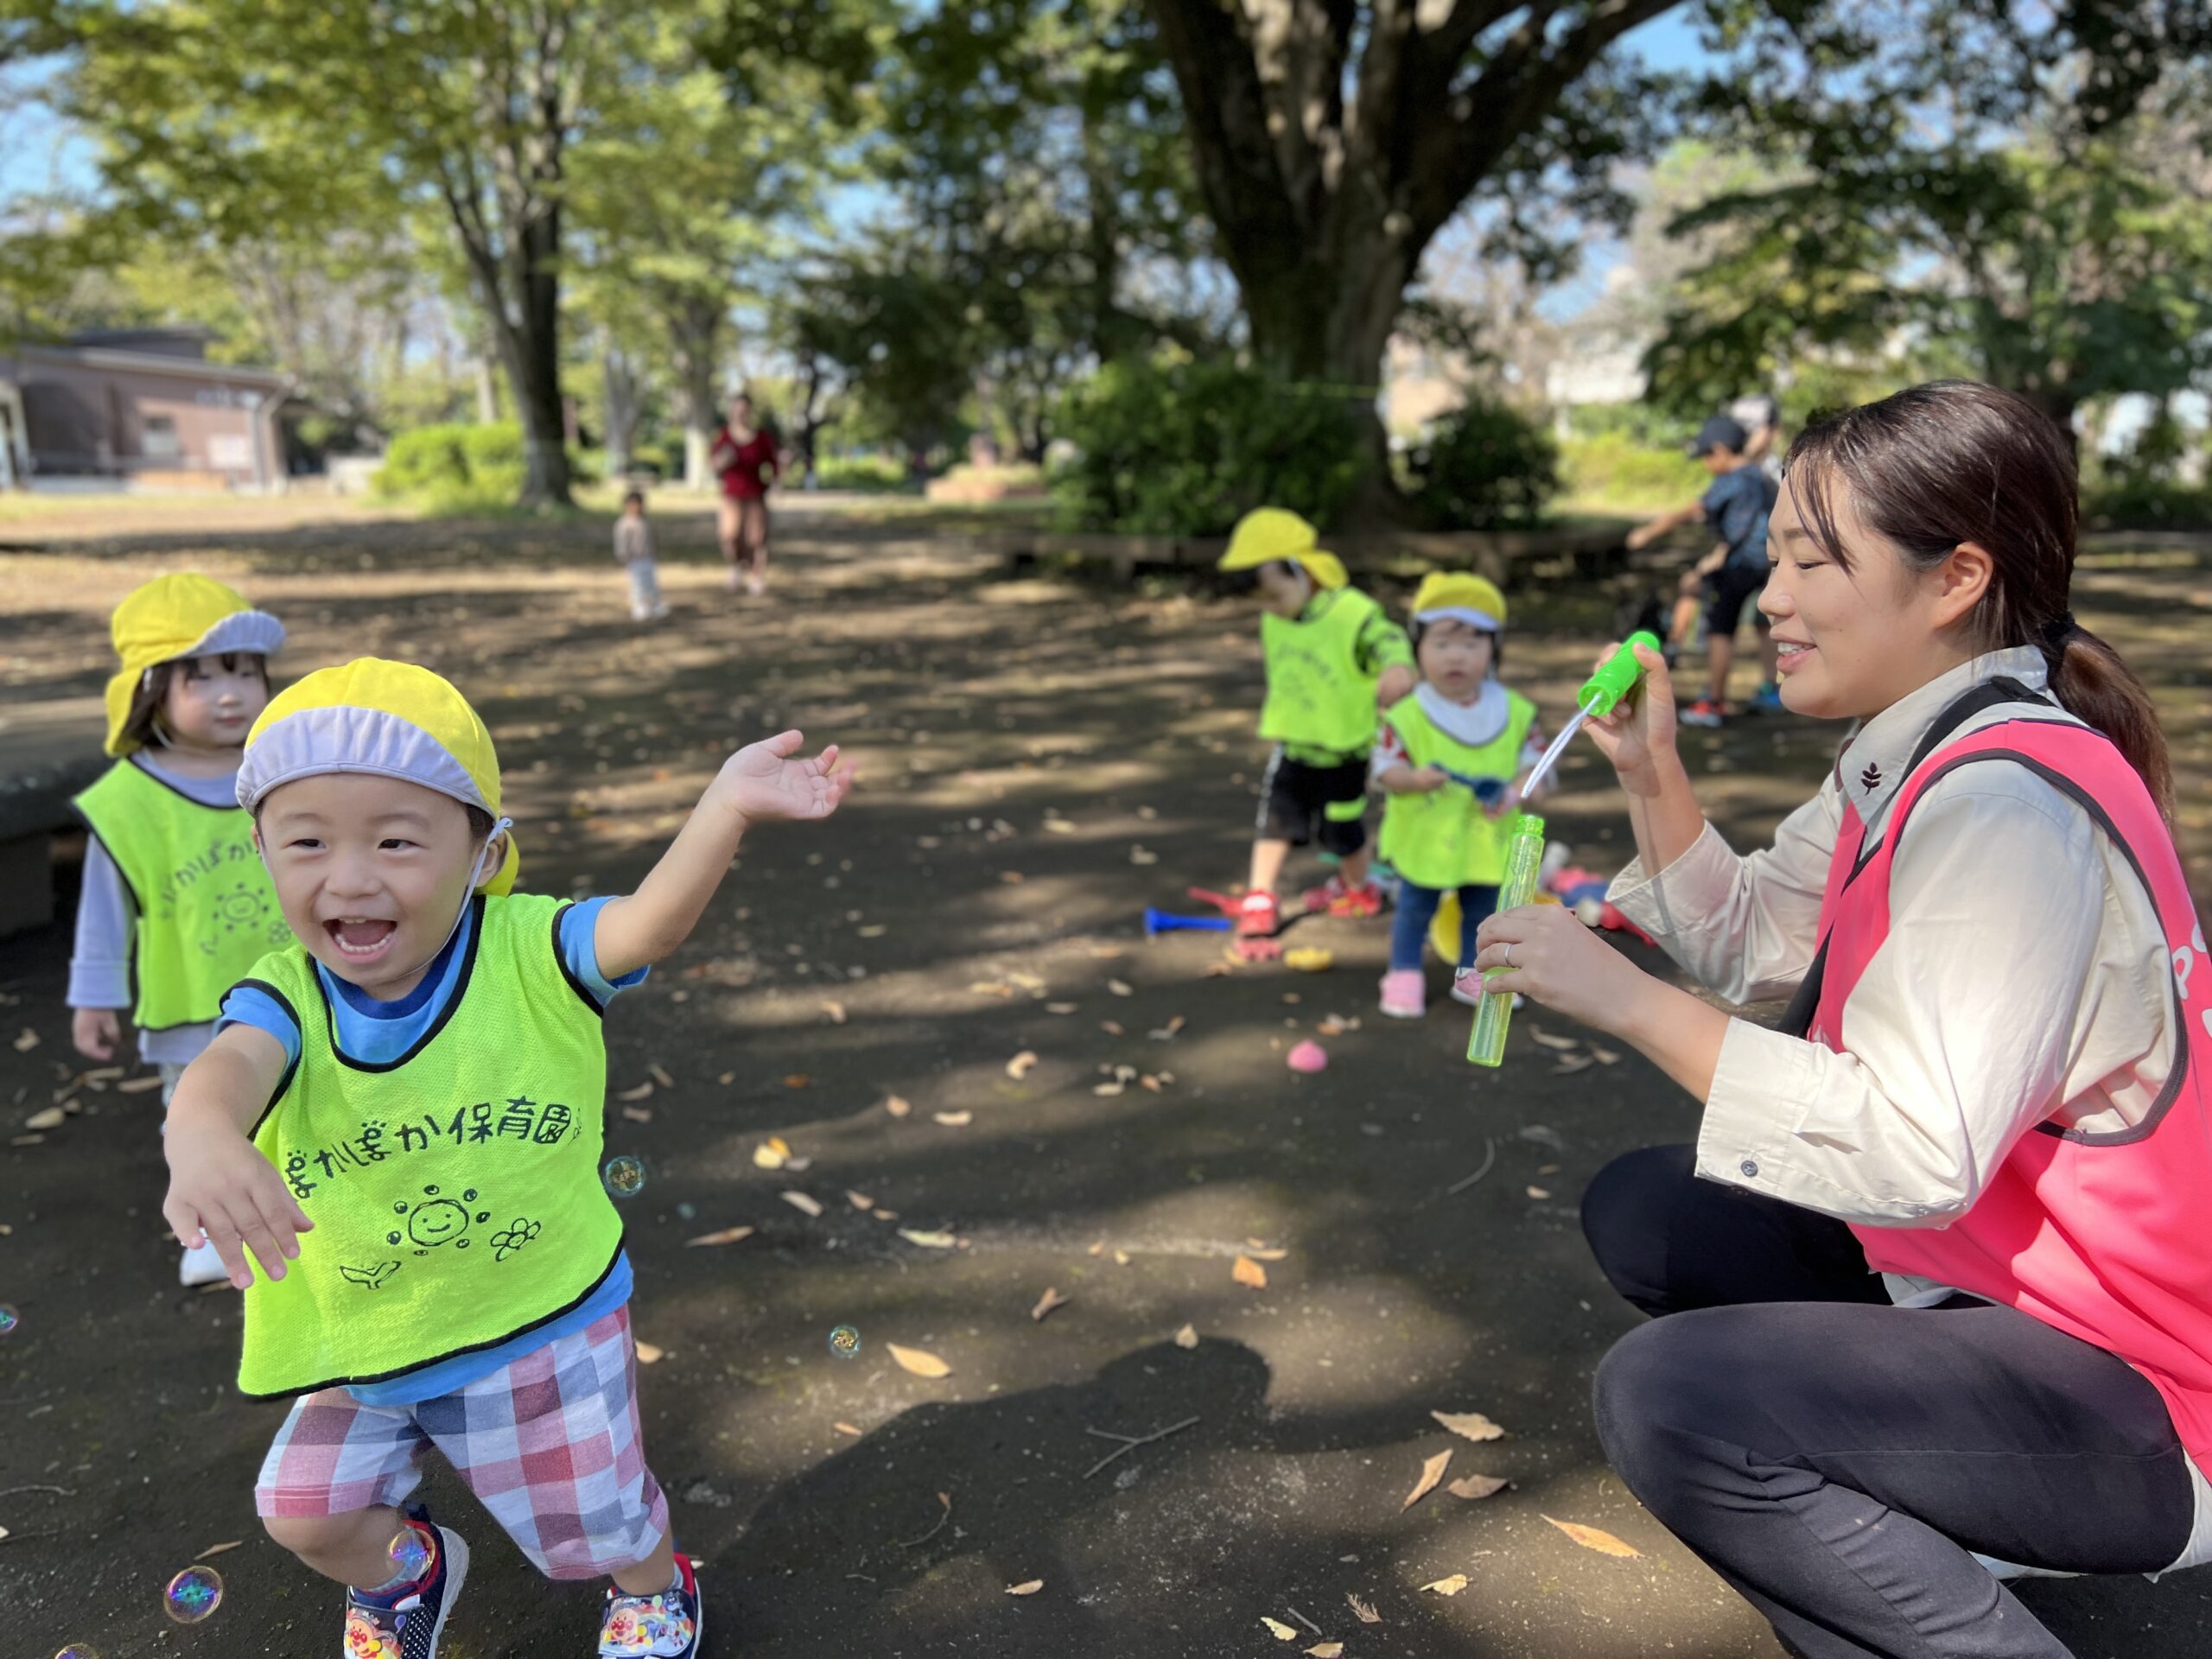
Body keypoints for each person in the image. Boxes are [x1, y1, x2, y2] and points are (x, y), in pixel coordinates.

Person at [1470, 380, 2211, 1659]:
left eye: (1817, 560)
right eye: (1777, 559)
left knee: (1682, 1404)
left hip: (2147, 1385)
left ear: (1953, 581)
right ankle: (1935, 1494)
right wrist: (1653, 773)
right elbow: (1759, 941)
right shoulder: (1919, 750)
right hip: (2002, 1292)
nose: (1773, 596)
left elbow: (1916, 1152)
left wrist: (1627, 999)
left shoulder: (2003, 808)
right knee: (1656, 1210)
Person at [161, 658, 850, 1659]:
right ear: (262, 849)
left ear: (485, 855)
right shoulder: (285, 992)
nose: (348, 877)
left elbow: (644, 924)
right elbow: (227, 1069)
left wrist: (724, 809)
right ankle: (412, 1572)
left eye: (397, 841)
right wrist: (200, 1134)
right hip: (366, 1327)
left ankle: (655, 1586)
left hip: (536, 1321)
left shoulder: (530, 949)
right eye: (304, 842)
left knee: (600, 1516)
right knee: (305, 1512)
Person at [69, 574, 288, 1287]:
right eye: (201, 677)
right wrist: (93, 998)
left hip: (297, 983)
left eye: (244, 672)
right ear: (149, 692)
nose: (231, 694)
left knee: (303, 1099)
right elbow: (103, 910)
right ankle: (214, 1232)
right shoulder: (128, 799)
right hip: (192, 998)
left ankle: (297, 1212)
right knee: (197, 1114)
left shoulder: (282, 769)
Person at [1216, 507, 1415, 950]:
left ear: (1302, 570)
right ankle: (1260, 897)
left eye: (1274, 595)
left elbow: (1389, 639)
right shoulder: (1279, 616)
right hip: (1294, 745)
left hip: (1346, 750)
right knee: (1275, 822)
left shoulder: (1352, 613)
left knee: (1343, 831)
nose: (1269, 610)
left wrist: (1398, 665)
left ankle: (1357, 888)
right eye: (1261, 602)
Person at [1370, 572, 1550, 1019]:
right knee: (1414, 908)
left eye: (1472, 644)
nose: (1457, 656)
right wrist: (1411, 780)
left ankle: (1473, 976)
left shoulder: (1513, 711)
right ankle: (1404, 973)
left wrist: (1520, 790)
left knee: (1484, 915)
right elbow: (1383, 768)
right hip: (1426, 836)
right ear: (1418, 650)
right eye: (1442, 643)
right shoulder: (1409, 714)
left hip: (1485, 837)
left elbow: (1536, 761)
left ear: (1493, 649)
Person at [1624, 415, 1783, 725]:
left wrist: (1648, 533)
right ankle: (1771, 689)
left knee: (1720, 631)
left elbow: (1695, 510)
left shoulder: (1732, 480)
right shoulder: (1761, 477)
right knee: (1765, 626)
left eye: (1707, 456)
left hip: (1738, 565)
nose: (1706, 464)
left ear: (1721, 450)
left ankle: (1714, 702)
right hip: (1769, 563)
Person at [709, 392, 779, 596]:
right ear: (731, 411)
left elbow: (773, 462)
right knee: (729, 535)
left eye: (744, 410)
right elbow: (713, 464)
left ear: (749, 412)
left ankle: (757, 576)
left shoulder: (761, 437)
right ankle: (736, 566)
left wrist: (776, 481)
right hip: (731, 495)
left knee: (756, 538)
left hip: (755, 494)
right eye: (736, 410)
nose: (740, 414)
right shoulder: (723, 436)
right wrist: (723, 460)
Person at [613, 488, 669, 622]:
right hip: (634, 559)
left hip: (648, 558)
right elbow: (621, 542)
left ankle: (655, 604)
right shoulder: (624, 524)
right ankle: (639, 606)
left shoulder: (646, 522)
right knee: (637, 584)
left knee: (651, 583)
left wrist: (655, 551)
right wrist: (623, 556)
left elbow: (653, 539)